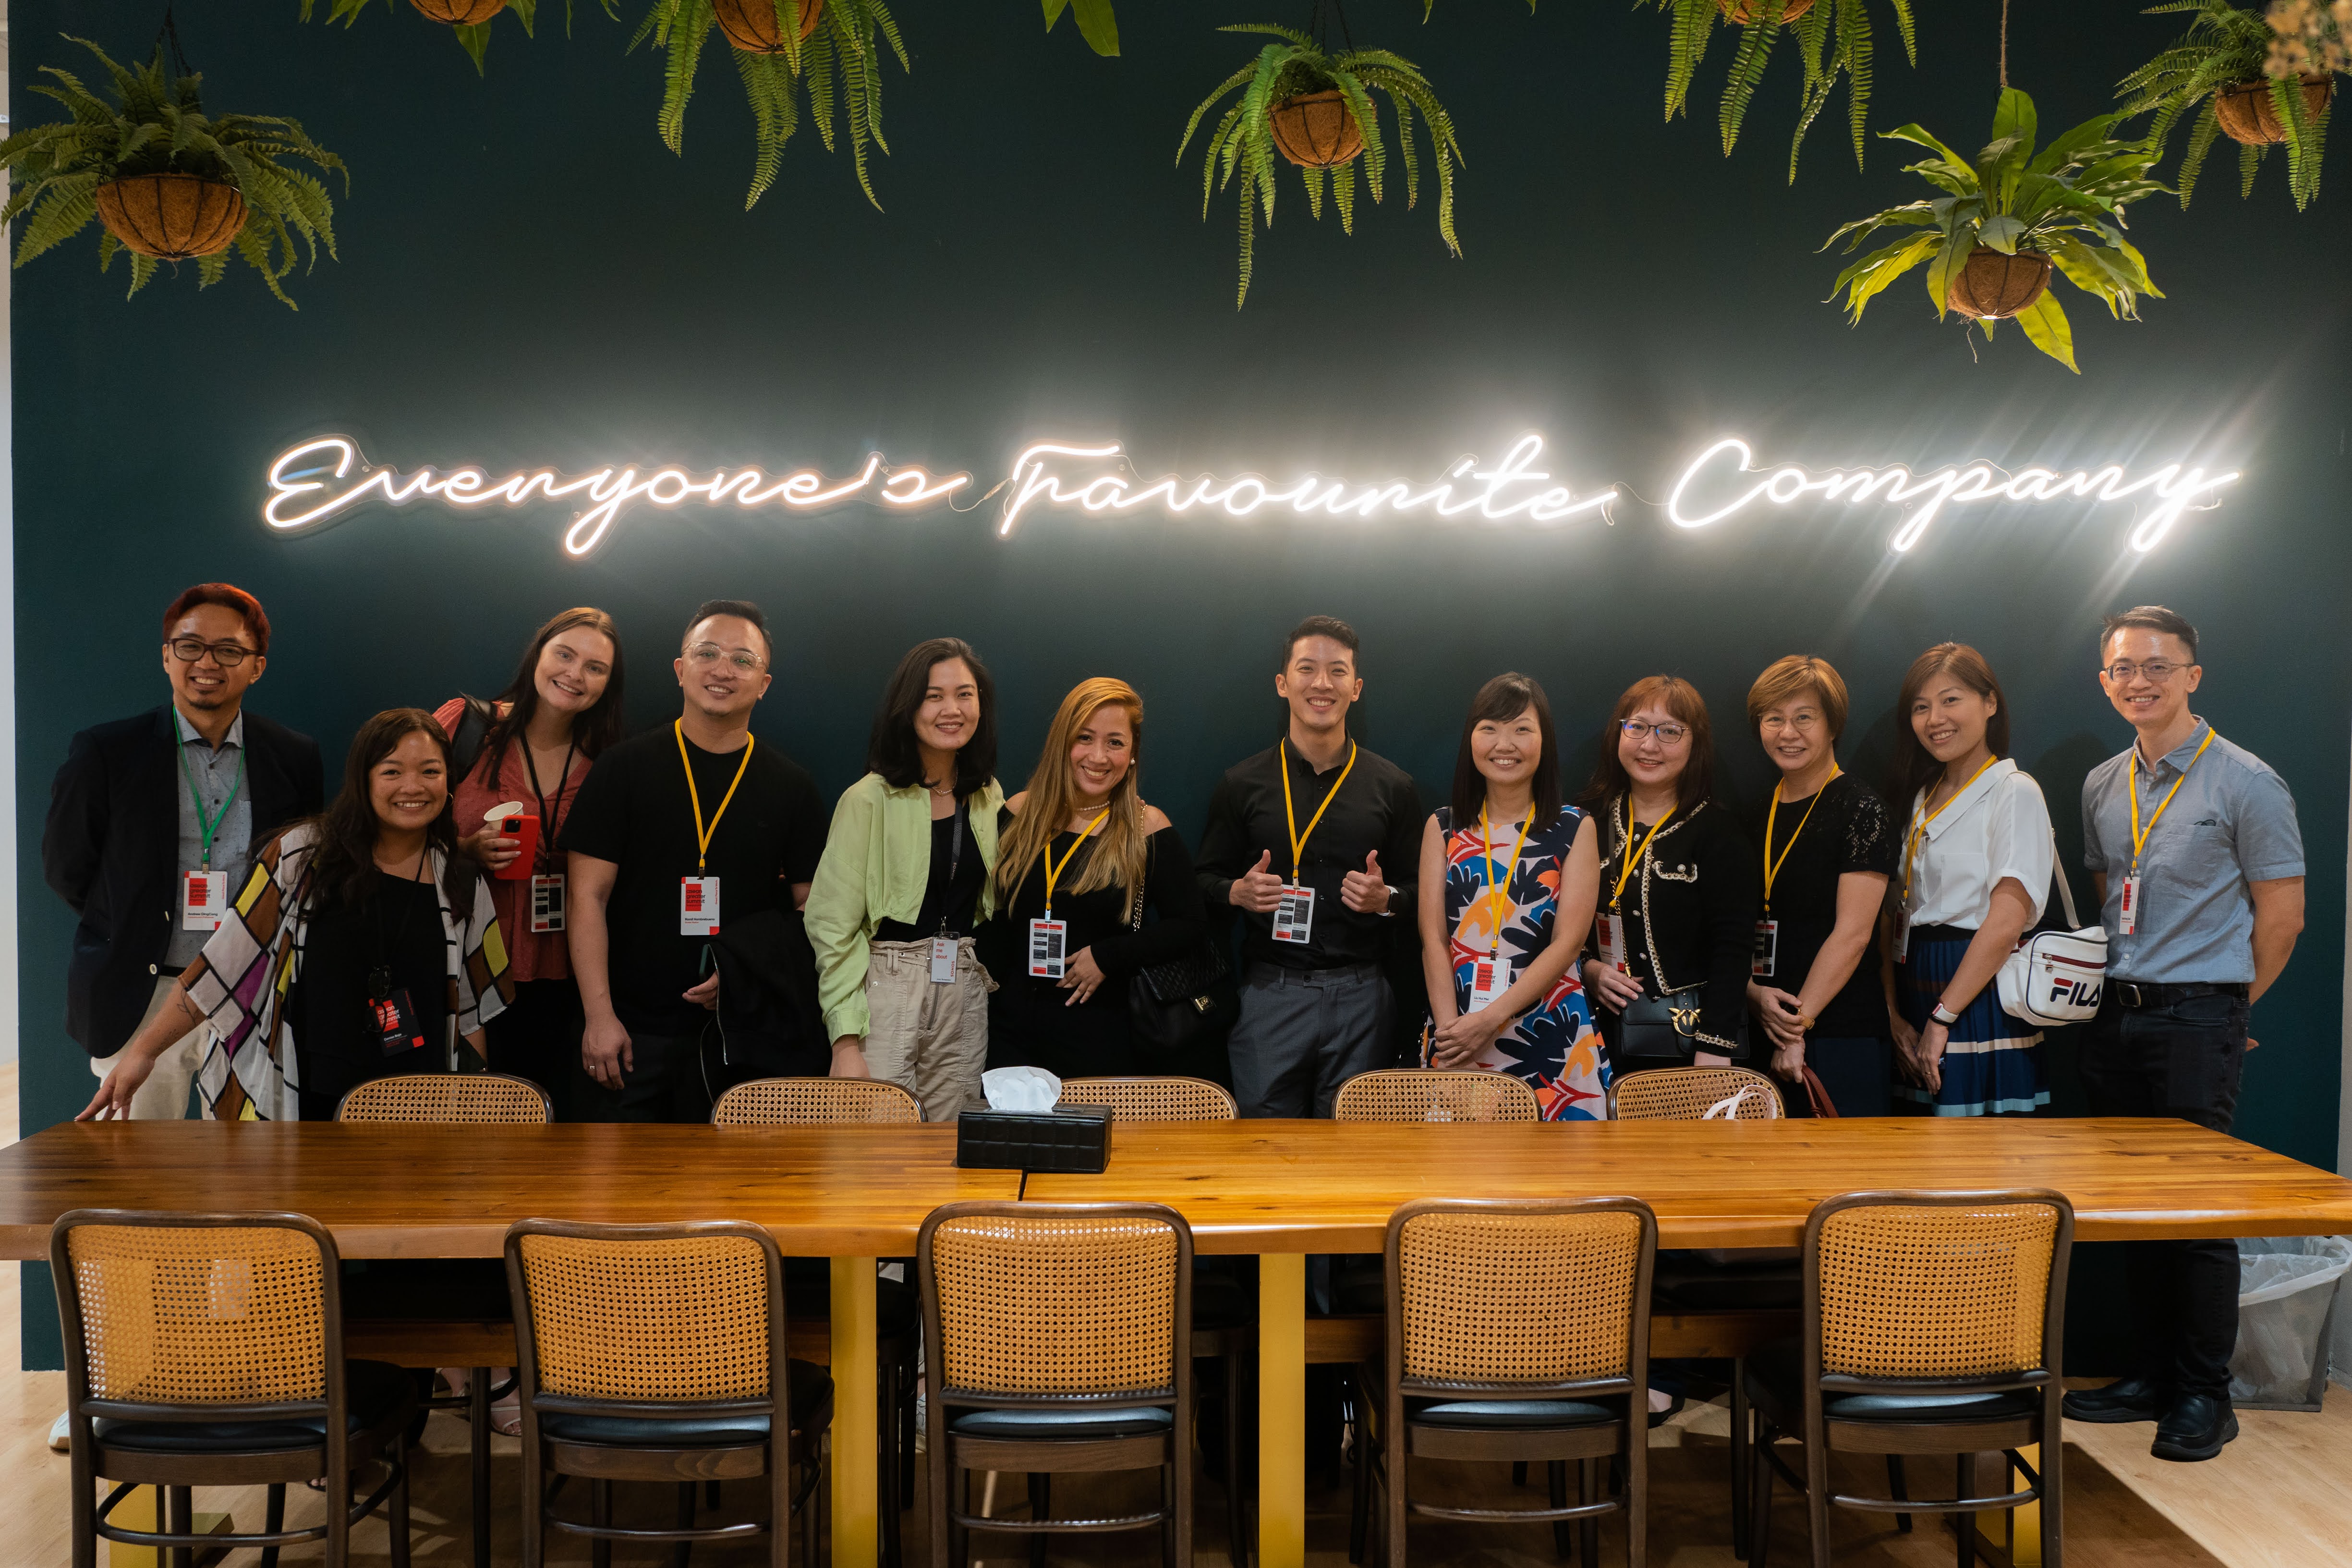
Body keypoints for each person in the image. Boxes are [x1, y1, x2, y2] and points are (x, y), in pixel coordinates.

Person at [2063, 607, 2305, 1462]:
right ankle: (2148, 1375)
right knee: (2135, 1213)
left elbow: (2282, 915)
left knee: (2199, 1213)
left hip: (2199, 1014)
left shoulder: (2245, 780)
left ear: (2191, 676)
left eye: (2156, 666)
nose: (2139, 680)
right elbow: (2107, 886)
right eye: (2123, 667)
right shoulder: (2102, 783)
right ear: (2105, 680)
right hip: (2115, 1015)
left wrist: (2231, 1007)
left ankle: (2205, 1394)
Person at [79, 709, 512, 1124]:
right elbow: (224, 965)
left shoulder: (460, 878)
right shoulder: (302, 856)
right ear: (363, 779)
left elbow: (473, 1010)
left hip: (420, 1098)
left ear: (449, 782)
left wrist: (472, 1105)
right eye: (392, 771)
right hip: (311, 1095)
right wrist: (145, 1052)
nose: (413, 786)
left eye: (431, 771)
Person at [43, 583, 324, 1120]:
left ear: (256, 666)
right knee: (139, 1172)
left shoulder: (294, 756)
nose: (207, 663)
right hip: (141, 994)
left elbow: (297, 872)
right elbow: (67, 867)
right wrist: (132, 921)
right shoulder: (107, 751)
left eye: (229, 650)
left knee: (245, 1169)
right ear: (167, 656)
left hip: (252, 990)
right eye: (191, 646)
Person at [560, 600, 826, 1123]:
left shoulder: (792, 787)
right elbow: (585, 897)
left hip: (740, 1033)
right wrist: (599, 1016)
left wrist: (746, 972)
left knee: (727, 1194)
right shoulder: (624, 768)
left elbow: (812, 907)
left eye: (742, 660)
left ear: (764, 683)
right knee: (611, 1193)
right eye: (707, 653)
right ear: (681, 670)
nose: (723, 669)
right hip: (628, 1033)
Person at [1196, 617, 1424, 1118]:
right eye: (1307, 669)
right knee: (1264, 1146)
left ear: (1356, 688)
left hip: (1362, 995)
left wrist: (1387, 900)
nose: (1322, 683)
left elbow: (1422, 894)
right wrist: (1236, 892)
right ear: (1283, 683)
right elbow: (1200, 881)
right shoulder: (1241, 783)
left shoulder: (1394, 787)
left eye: (1337, 671)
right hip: (1269, 994)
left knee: (1355, 1151)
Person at [432, 608, 625, 1114]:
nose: (574, 674)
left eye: (595, 667)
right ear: (537, 654)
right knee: (465, 1119)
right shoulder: (469, 725)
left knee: (549, 1125)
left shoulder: (610, 766)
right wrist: (466, 849)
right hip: (462, 961)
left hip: (560, 977)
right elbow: (389, 818)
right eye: (564, 654)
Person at [805, 639, 1005, 1122]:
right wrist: (845, 1041)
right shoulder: (867, 798)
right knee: (874, 1154)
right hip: (884, 987)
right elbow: (831, 926)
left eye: (965, 694)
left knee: (949, 1149)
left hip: (961, 981)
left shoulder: (988, 795)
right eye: (933, 696)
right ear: (907, 706)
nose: (951, 709)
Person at [983, 678, 1208, 1081]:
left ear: (1133, 753)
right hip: (1010, 1030)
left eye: (1116, 743)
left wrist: (1108, 957)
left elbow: (1190, 925)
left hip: (1101, 1030)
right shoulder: (1019, 814)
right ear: (1062, 742)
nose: (1099, 756)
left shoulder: (1146, 828)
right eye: (1085, 738)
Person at [1417, 673, 1605, 1119]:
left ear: (1545, 741)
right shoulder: (1442, 827)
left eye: (1522, 728)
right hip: (1457, 1028)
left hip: (1551, 1029)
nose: (1505, 743)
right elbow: (1433, 938)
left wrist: (1489, 1019)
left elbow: (1568, 944)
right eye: (1490, 728)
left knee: (1561, 1179)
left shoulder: (1575, 827)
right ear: (1471, 740)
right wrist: (1450, 1034)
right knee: (1457, 1177)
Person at [1881, 643, 2054, 1117]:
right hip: (1916, 979)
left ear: (1989, 702)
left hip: (1976, 988)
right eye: (1920, 707)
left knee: (1979, 1164)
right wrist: (1894, 1014)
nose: (1934, 718)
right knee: (1916, 1160)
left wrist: (1942, 1016)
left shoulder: (2012, 790)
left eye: (1950, 699)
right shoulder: (1920, 795)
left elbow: (2005, 922)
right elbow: (1892, 911)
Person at [1741, 656, 1898, 1116]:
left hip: (1837, 1030)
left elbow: (1854, 935)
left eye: (1804, 717)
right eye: (1774, 719)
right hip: (1760, 1024)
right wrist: (1752, 995)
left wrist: (1796, 1028)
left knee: (1846, 1181)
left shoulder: (1862, 810)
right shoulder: (1751, 814)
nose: (1787, 733)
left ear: (1833, 725)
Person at [1577, 677, 1757, 1074]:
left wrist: (1715, 1044)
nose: (1649, 745)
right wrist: (1588, 969)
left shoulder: (1718, 831)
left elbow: (1734, 944)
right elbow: (1556, 921)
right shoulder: (1587, 822)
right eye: (1637, 726)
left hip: (1688, 1042)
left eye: (1670, 731)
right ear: (1618, 733)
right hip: (1593, 1035)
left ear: (1697, 744)